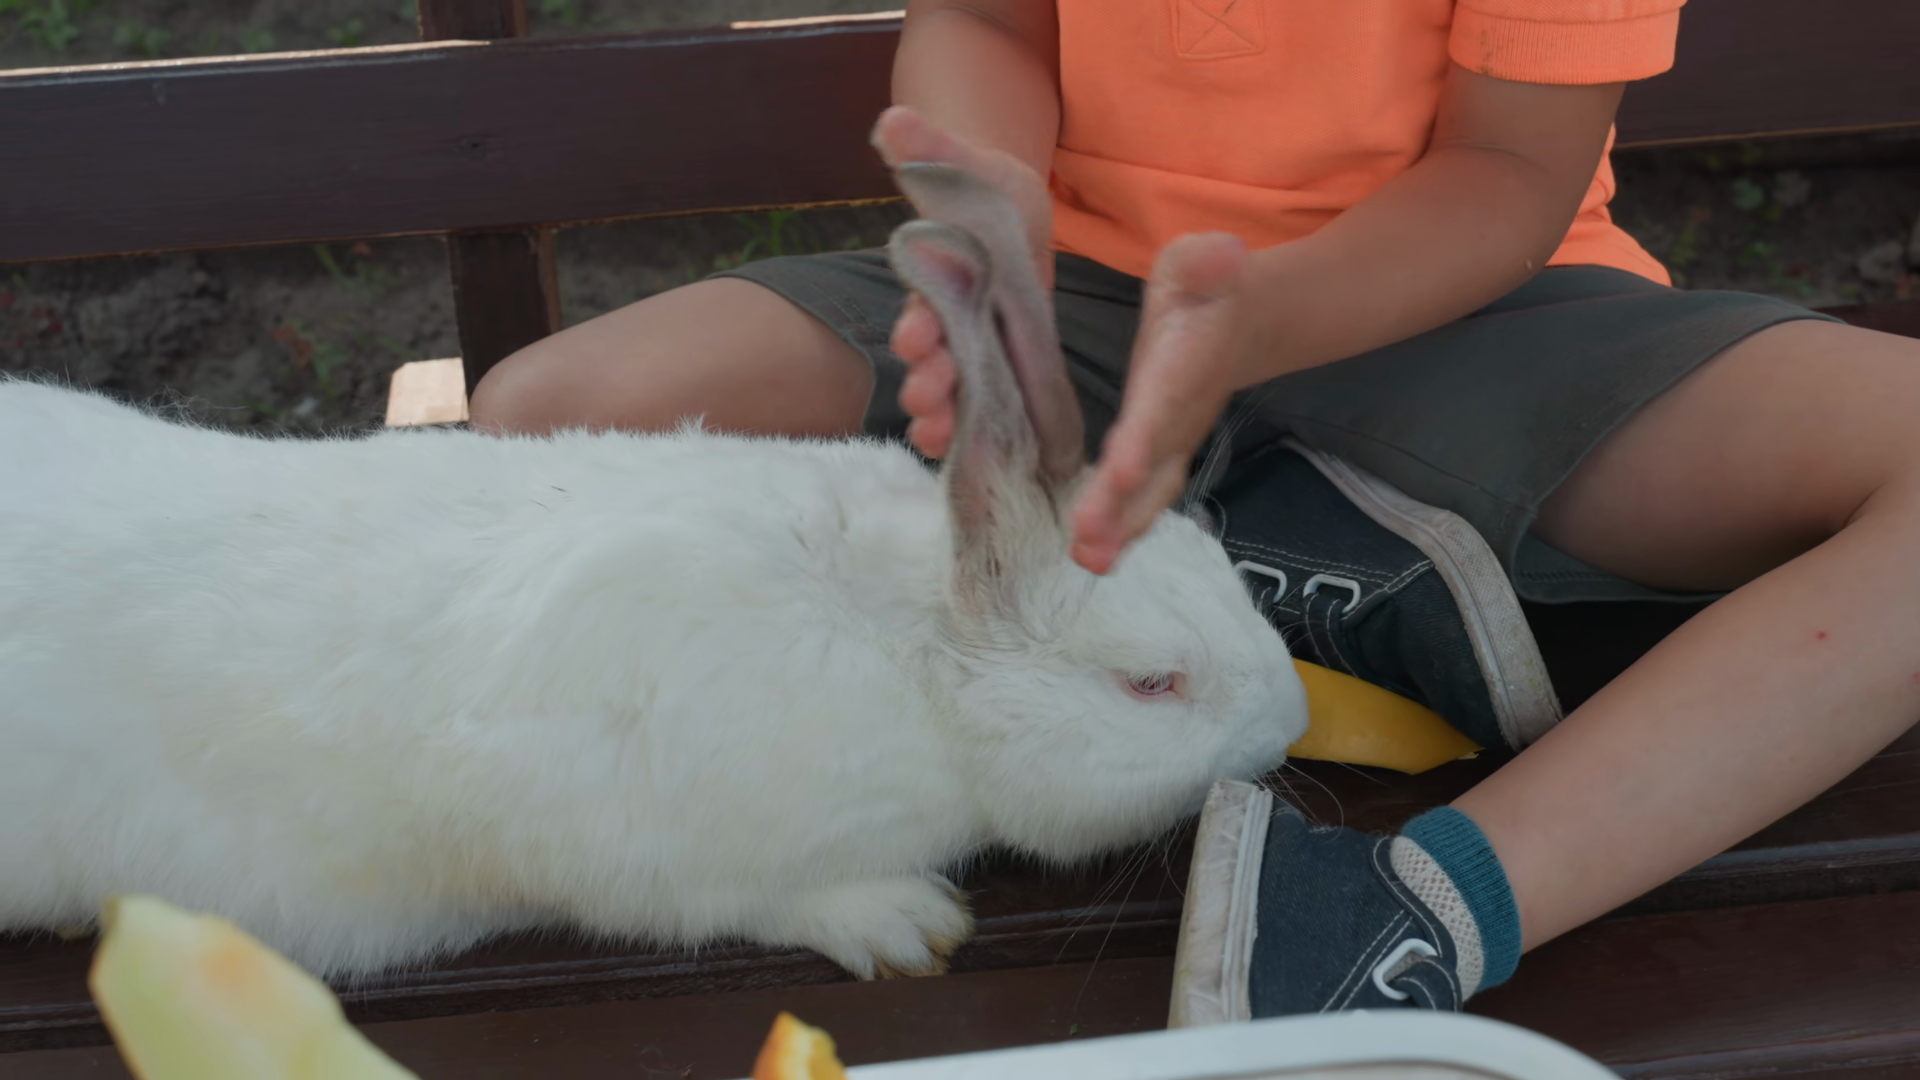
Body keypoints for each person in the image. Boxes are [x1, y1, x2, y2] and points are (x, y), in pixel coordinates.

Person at [466, 0, 1920, 1016]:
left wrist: (1254, 327)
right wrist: (995, 237)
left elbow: (1510, 169)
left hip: (1478, 313)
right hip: (1088, 306)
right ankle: (1266, 551)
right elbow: (988, 21)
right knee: (543, 416)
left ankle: (1402, 915)